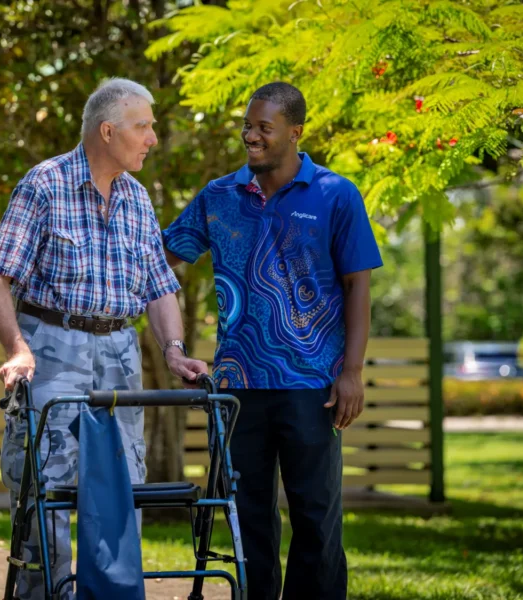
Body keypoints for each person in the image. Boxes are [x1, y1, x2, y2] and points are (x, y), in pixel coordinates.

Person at [0, 77, 208, 600]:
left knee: (122, 489)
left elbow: (159, 287)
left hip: (119, 354)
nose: (153, 138)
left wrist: (174, 352)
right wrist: (17, 349)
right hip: (52, 348)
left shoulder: (137, 198)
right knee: (44, 490)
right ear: (108, 131)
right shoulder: (45, 185)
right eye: (143, 127)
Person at [162, 82, 383, 599]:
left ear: (295, 132)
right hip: (237, 386)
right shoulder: (219, 196)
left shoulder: (336, 194)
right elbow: (159, 260)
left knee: (316, 517)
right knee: (248, 520)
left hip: (312, 384)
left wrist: (352, 372)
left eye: (264, 127)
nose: (251, 136)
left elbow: (358, 286)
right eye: (247, 126)